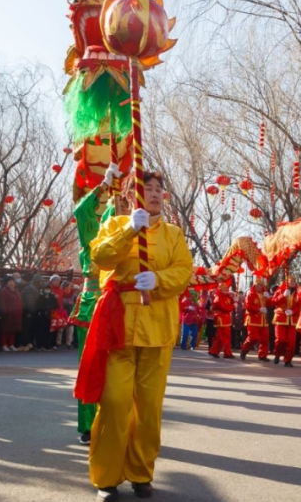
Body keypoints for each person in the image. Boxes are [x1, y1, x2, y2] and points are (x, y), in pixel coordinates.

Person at [75, 170, 193, 501]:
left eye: (158, 189)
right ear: (129, 196)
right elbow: (100, 257)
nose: (154, 194)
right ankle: (106, 477)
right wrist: (129, 229)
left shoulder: (174, 234)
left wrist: (159, 280)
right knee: (114, 403)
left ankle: (141, 473)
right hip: (119, 327)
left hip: (158, 327)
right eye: (146, 188)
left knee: (149, 407)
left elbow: (184, 271)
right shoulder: (114, 225)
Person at [240, 278, 272, 361]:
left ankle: (262, 355)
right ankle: (244, 350)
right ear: (254, 285)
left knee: (265, 338)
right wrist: (258, 309)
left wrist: (269, 298)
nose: (259, 287)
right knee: (253, 337)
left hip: (263, 320)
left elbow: (270, 304)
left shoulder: (264, 294)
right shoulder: (250, 294)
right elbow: (248, 306)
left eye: (261, 285)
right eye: (258, 285)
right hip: (253, 319)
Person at [271, 276, 299, 366]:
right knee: (280, 339)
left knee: (291, 341)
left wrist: (293, 311)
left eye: (294, 281)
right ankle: (277, 354)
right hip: (281, 318)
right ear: (287, 282)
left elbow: (300, 305)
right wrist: (282, 296)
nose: (293, 282)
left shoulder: (297, 293)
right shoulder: (280, 290)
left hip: (292, 319)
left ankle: (288, 360)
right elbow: (274, 301)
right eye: (291, 281)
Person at [208, 280, 236, 359]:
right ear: (220, 288)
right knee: (225, 336)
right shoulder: (218, 297)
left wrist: (234, 297)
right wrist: (234, 306)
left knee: (221, 337)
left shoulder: (227, 296)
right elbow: (224, 308)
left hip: (226, 318)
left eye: (226, 288)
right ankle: (227, 353)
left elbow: (231, 302)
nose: (225, 289)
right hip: (221, 318)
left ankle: (213, 351)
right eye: (223, 288)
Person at [0, 276, 24, 352]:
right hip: (8, 313)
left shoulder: (16, 290)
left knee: (13, 330)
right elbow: (2, 302)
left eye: (13, 282)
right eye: (10, 282)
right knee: (5, 330)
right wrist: (4, 311)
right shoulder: (3, 291)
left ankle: (11, 344)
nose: (12, 283)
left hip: (16, 313)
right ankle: (4, 345)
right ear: (6, 283)